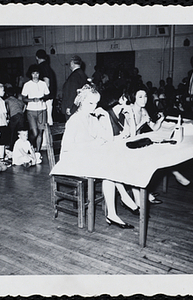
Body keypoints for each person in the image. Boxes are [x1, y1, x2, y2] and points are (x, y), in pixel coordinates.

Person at [61, 82, 134, 229]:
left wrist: (106, 116)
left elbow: (107, 138)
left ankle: (112, 213)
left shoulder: (93, 118)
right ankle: (117, 209)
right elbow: (68, 147)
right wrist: (93, 144)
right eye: (90, 103)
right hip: (72, 160)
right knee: (109, 168)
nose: (94, 106)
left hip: (87, 156)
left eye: (95, 103)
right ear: (81, 102)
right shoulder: (74, 121)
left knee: (112, 164)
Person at [99, 89, 139, 215]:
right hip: (101, 154)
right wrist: (119, 138)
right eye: (123, 97)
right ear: (117, 99)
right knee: (114, 163)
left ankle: (131, 197)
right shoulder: (104, 115)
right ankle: (125, 196)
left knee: (131, 161)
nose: (126, 99)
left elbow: (132, 137)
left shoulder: (122, 114)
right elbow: (104, 140)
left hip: (115, 152)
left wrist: (131, 117)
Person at [21, 64, 50, 153]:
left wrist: (42, 98)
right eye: (33, 73)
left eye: (37, 73)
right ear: (31, 74)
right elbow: (23, 98)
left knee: (40, 132)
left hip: (42, 110)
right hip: (31, 111)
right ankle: (30, 146)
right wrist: (32, 100)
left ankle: (37, 152)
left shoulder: (43, 84)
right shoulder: (27, 85)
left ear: (39, 74)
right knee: (34, 133)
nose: (35, 75)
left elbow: (48, 95)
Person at [61, 55, 88, 120]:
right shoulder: (83, 75)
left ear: (72, 63)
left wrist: (69, 107)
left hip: (72, 107)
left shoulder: (74, 76)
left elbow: (72, 92)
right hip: (80, 106)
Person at [36, 49, 57, 126]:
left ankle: (46, 137)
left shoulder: (41, 67)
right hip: (50, 96)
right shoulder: (48, 67)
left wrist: (42, 95)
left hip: (45, 97)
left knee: (44, 119)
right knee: (48, 117)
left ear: (37, 57)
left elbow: (46, 81)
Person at [4, 87, 26, 151]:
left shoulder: (7, 100)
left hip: (14, 116)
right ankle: (21, 147)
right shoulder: (17, 100)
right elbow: (24, 105)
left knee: (12, 131)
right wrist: (23, 111)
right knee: (20, 132)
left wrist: (8, 116)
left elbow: (7, 109)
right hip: (21, 115)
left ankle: (11, 147)